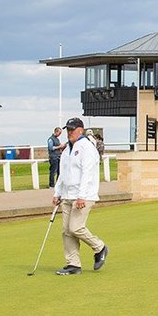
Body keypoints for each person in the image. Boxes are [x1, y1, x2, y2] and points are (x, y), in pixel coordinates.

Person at [53, 117, 108, 275]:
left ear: (80, 130)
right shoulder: (66, 150)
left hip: (83, 195)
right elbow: (62, 174)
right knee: (66, 231)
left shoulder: (87, 148)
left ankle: (100, 247)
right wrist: (57, 193)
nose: (69, 132)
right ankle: (73, 264)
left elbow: (87, 174)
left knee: (75, 227)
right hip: (67, 195)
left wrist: (82, 196)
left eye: (72, 129)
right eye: (68, 130)